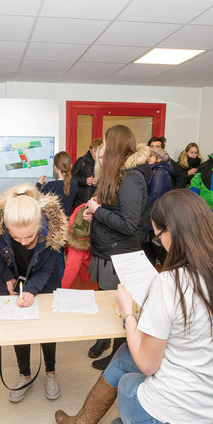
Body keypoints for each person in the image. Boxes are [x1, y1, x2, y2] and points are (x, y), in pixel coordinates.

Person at [55, 190, 213, 424]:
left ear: (173, 232)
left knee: (127, 376)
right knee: (126, 355)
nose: (160, 244)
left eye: (158, 237)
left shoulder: (171, 284)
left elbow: (147, 364)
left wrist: (128, 314)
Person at [0, 184, 68, 402]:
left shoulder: (52, 230)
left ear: (40, 225)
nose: (22, 242)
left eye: (29, 237)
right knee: (18, 326)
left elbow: (47, 269)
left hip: (44, 278)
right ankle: (25, 375)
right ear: (5, 226)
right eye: (16, 237)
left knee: (47, 327)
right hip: (10, 273)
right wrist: (7, 277)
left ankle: (51, 372)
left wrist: (31, 289)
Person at [84, 125, 151, 370]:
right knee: (108, 305)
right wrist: (94, 212)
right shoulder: (117, 174)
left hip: (119, 256)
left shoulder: (132, 178)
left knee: (121, 310)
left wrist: (98, 211)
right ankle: (106, 340)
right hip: (107, 251)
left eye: (105, 143)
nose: (102, 148)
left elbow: (129, 225)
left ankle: (119, 356)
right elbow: (113, 209)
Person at [37, 151, 78, 217]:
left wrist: (39, 184)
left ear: (55, 167)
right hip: (69, 221)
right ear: (71, 166)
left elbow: (35, 199)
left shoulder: (50, 186)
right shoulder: (74, 184)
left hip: (54, 222)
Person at [71, 138, 102, 208]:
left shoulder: (104, 163)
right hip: (82, 201)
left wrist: (99, 181)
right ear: (90, 150)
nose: (97, 154)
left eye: (99, 151)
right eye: (95, 151)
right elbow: (71, 177)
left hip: (98, 202)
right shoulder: (81, 161)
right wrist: (85, 180)